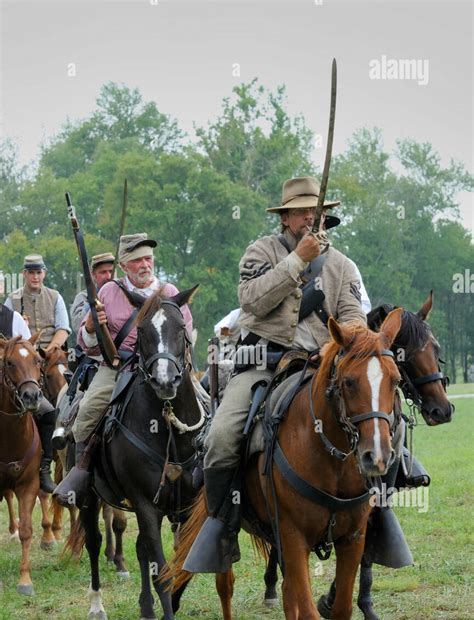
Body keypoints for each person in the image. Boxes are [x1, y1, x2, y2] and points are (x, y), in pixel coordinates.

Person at [185, 176, 367, 573]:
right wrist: (297, 260)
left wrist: (337, 344)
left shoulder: (343, 265)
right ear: (285, 217)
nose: (310, 217)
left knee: (380, 425)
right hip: (263, 366)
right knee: (219, 438)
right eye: (302, 211)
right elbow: (251, 299)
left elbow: (354, 316)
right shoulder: (260, 252)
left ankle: (376, 520)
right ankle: (222, 525)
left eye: (316, 211)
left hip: (323, 368)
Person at [54, 232, 193, 504]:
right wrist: (93, 327)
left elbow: (186, 335)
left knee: (204, 412)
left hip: (165, 368)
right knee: (85, 418)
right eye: (138, 260)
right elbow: (86, 343)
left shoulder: (170, 292)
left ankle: (201, 475)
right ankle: (79, 478)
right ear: (124, 265)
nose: (145, 265)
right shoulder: (108, 292)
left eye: (148, 259)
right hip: (119, 367)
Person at [0, 301, 58, 492]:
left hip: (14, 385)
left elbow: (28, 352)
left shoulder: (13, 318)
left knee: (48, 412)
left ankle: (43, 469)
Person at [6, 255, 71, 351]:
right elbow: (4, 332)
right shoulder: (12, 299)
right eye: (31, 273)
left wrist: (48, 351)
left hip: (52, 354)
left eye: (39, 272)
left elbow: (63, 329)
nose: (35, 277)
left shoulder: (56, 297)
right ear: (24, 274)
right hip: (23, 355)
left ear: (44, 273)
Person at [70, 252, 115, 335]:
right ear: (93, 275)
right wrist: (96, 300)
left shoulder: (124, 295)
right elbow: (77, 325)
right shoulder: (83, 297)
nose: (108, 276)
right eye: (103, 272)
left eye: (111, 271)